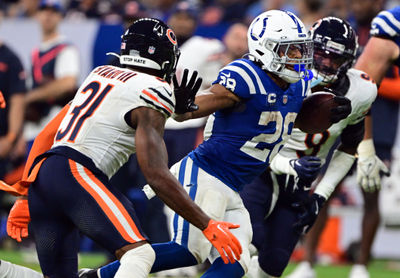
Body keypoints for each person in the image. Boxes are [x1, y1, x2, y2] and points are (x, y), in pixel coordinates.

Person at [78, 10, 350, 278]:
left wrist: (322, 115)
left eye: (300, 50)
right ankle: (95, 277)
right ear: (267, 49)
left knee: (236, 262)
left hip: (234, 187)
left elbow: (292, 119)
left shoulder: (298, 86)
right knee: (189, 251)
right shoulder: (246, 76)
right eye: (290, 51)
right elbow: (198, 106)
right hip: (206, 175)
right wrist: (185, 106)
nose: (299, 57)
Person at [1, 18, 242, 278]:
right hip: (77, 174)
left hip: (45, 175)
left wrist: (27, 191)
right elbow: (156, 175)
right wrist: (206, 223)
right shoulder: (154, 90)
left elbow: (48, 134)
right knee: (140, 254)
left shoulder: (100, 74)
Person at [241, 17, 377, 278]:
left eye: (335, 57)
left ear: (349, 61)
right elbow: (249, 137)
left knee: (273, 267)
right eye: (321, 53)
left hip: (299, 184)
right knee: (244, 248)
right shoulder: (281, 75)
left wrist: (321, 194)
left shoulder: (361, 89)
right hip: (259, 169)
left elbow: (350, 147)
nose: (326, 62)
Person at [23, 0, 79, 152]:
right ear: (37, 15)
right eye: (44, 10)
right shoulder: (35, 52)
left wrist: (30, 97)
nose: (48, 15)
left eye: (53, 11)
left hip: (55, 128)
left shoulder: (65, 48)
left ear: (60, 16)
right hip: (33, 128)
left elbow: (67, 83)